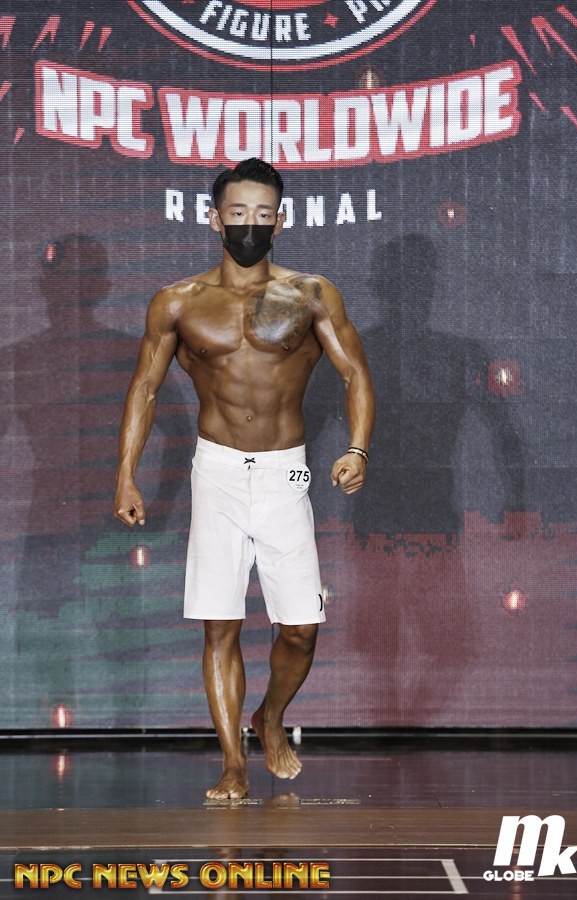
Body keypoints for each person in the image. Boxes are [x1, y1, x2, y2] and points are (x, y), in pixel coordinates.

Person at [114, 158, 375, 800]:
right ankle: (233, 764)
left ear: (280, 222)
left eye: (263, 214)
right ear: (215, 220)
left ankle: (270, 716)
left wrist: (358, 448)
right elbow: (145, 388)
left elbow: (355, 373)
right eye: (238, 213)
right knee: (220, 624)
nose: (250, 225)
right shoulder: (179, 302)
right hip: (219, 472)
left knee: (301, 630)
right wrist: (126, 476)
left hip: (286, 471)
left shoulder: (310, 294)